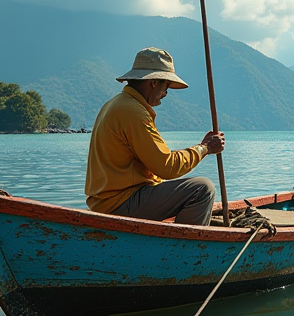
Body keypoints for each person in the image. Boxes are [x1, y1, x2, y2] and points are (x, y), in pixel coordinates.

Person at [85, 47, 225, 225]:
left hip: (105, 202)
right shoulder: (134, 113)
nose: (166, 93)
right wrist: (204, 148)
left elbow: (157, 162)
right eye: (166, 86)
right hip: (119, 203)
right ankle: (185, 249)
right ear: (153, 82)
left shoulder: (115, 104)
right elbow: (166, 167)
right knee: (202, 189)